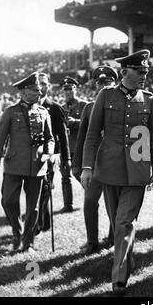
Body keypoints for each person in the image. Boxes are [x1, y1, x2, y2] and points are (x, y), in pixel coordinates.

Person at [81, 50, 153, 296]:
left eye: (146, 72)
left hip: (138, 173)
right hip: (108, 171)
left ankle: (118, 279)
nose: (144, 76)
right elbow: (92, 134)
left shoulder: (149, 100)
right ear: (125, 72)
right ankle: (127, 261)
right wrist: (87, 167)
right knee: (120, 224)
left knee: (124, 222)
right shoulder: (105, 96)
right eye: (140, 72)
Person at [0, 72, 54, 252]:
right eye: (35, 90)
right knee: (8, 201)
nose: (39, 93)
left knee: (33, 208)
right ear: (24, 92)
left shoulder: (43, 112)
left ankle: (28, 243)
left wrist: (48, 154)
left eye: (40, 89)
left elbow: (50, 138)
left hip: (37, 166)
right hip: (14, 164)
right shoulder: (11, 112)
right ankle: (16, 232)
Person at [72, 66, 118, 255]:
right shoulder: (89, 108)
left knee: (113, 205)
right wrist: (77, 164)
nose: (103, 86)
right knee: (90, 202)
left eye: (107, 82)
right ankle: (92, 241)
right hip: (93, 165)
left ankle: (113, 240)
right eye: (100, 83)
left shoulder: (121, 105)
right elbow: (82, 137)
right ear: (95, 86)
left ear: (114, 83)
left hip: (113, 164)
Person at [37, 73, 70, 234]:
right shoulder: (28, 107)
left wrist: (66, 158)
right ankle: (44, 222)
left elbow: (63, 136)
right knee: (36, 188)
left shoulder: (55, 108)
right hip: (34, 155)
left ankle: (38, 224)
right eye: (38, 83)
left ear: (49, 86)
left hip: (51, 155)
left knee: (45, 188)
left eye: (44, 84)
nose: (40, 87)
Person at [60, 76, 88, 213]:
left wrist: (75, 122)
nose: (67, 92)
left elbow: (91, 125)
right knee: (65, 177)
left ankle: (90, 197)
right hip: (66, 148)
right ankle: (67, 204)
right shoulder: (61, 108)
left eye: (70, 89)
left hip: (80, 147)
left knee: (81, 175)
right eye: (65, 90)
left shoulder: (84, 105)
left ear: (76, 89)